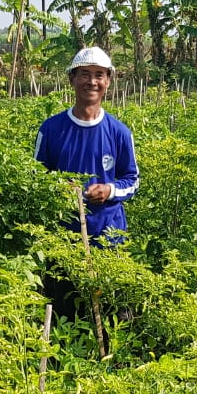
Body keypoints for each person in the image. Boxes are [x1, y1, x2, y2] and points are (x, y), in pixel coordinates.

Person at [33, 46, 140, 320]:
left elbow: (132, 180)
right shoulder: (51, 129)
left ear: (107, 81)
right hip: (64, 239)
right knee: (65, 311)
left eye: (99, 75)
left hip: (109, 236)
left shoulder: (119, 132)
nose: (91, 82)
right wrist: (59, 189)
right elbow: (34, 179)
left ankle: (114, 362)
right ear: (72, 79)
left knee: (115, 312)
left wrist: (110, 190)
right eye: (84, 75)